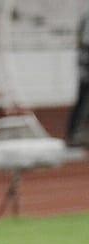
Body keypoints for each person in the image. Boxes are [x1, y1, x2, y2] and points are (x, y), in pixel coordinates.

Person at [67, 10, 89, 147]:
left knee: (84, 101)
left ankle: (78, 132)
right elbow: (84, 45)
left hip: (85, 66)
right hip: (86, 68)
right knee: (84, 101)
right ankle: (74, 133)